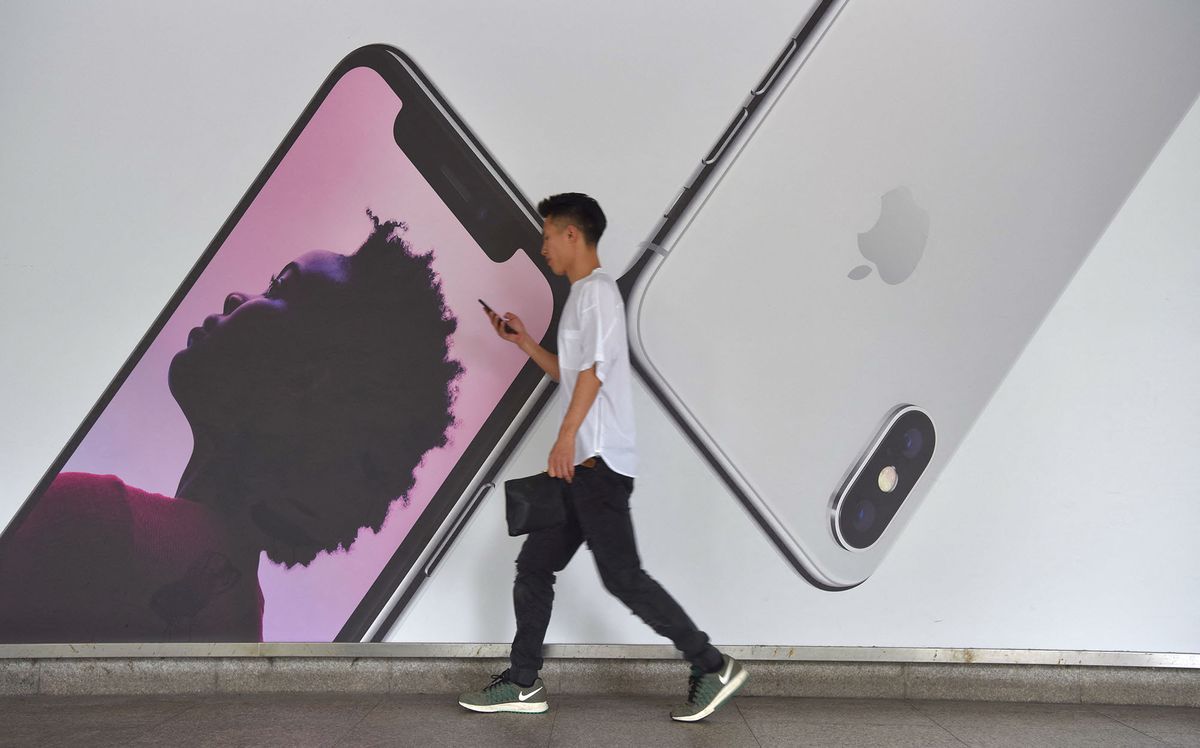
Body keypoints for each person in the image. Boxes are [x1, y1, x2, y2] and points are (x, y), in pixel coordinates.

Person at [0, 212, 462, 642]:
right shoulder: (240, 632)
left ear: (306, 377)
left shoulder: (96, 522)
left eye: (278, 288)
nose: (237, 297)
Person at [459, 193, 747, 722]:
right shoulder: (584, 299)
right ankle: (523, 682)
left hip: (596, 466)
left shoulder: (594, 295)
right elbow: (571, 374)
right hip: (583, 468)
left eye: (547, 236)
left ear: (573, 235)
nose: (542, 246)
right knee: (534, 566)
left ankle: (711, 664)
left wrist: (566, 438)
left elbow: (592, 375)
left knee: (622, 577)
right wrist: (523, 341)